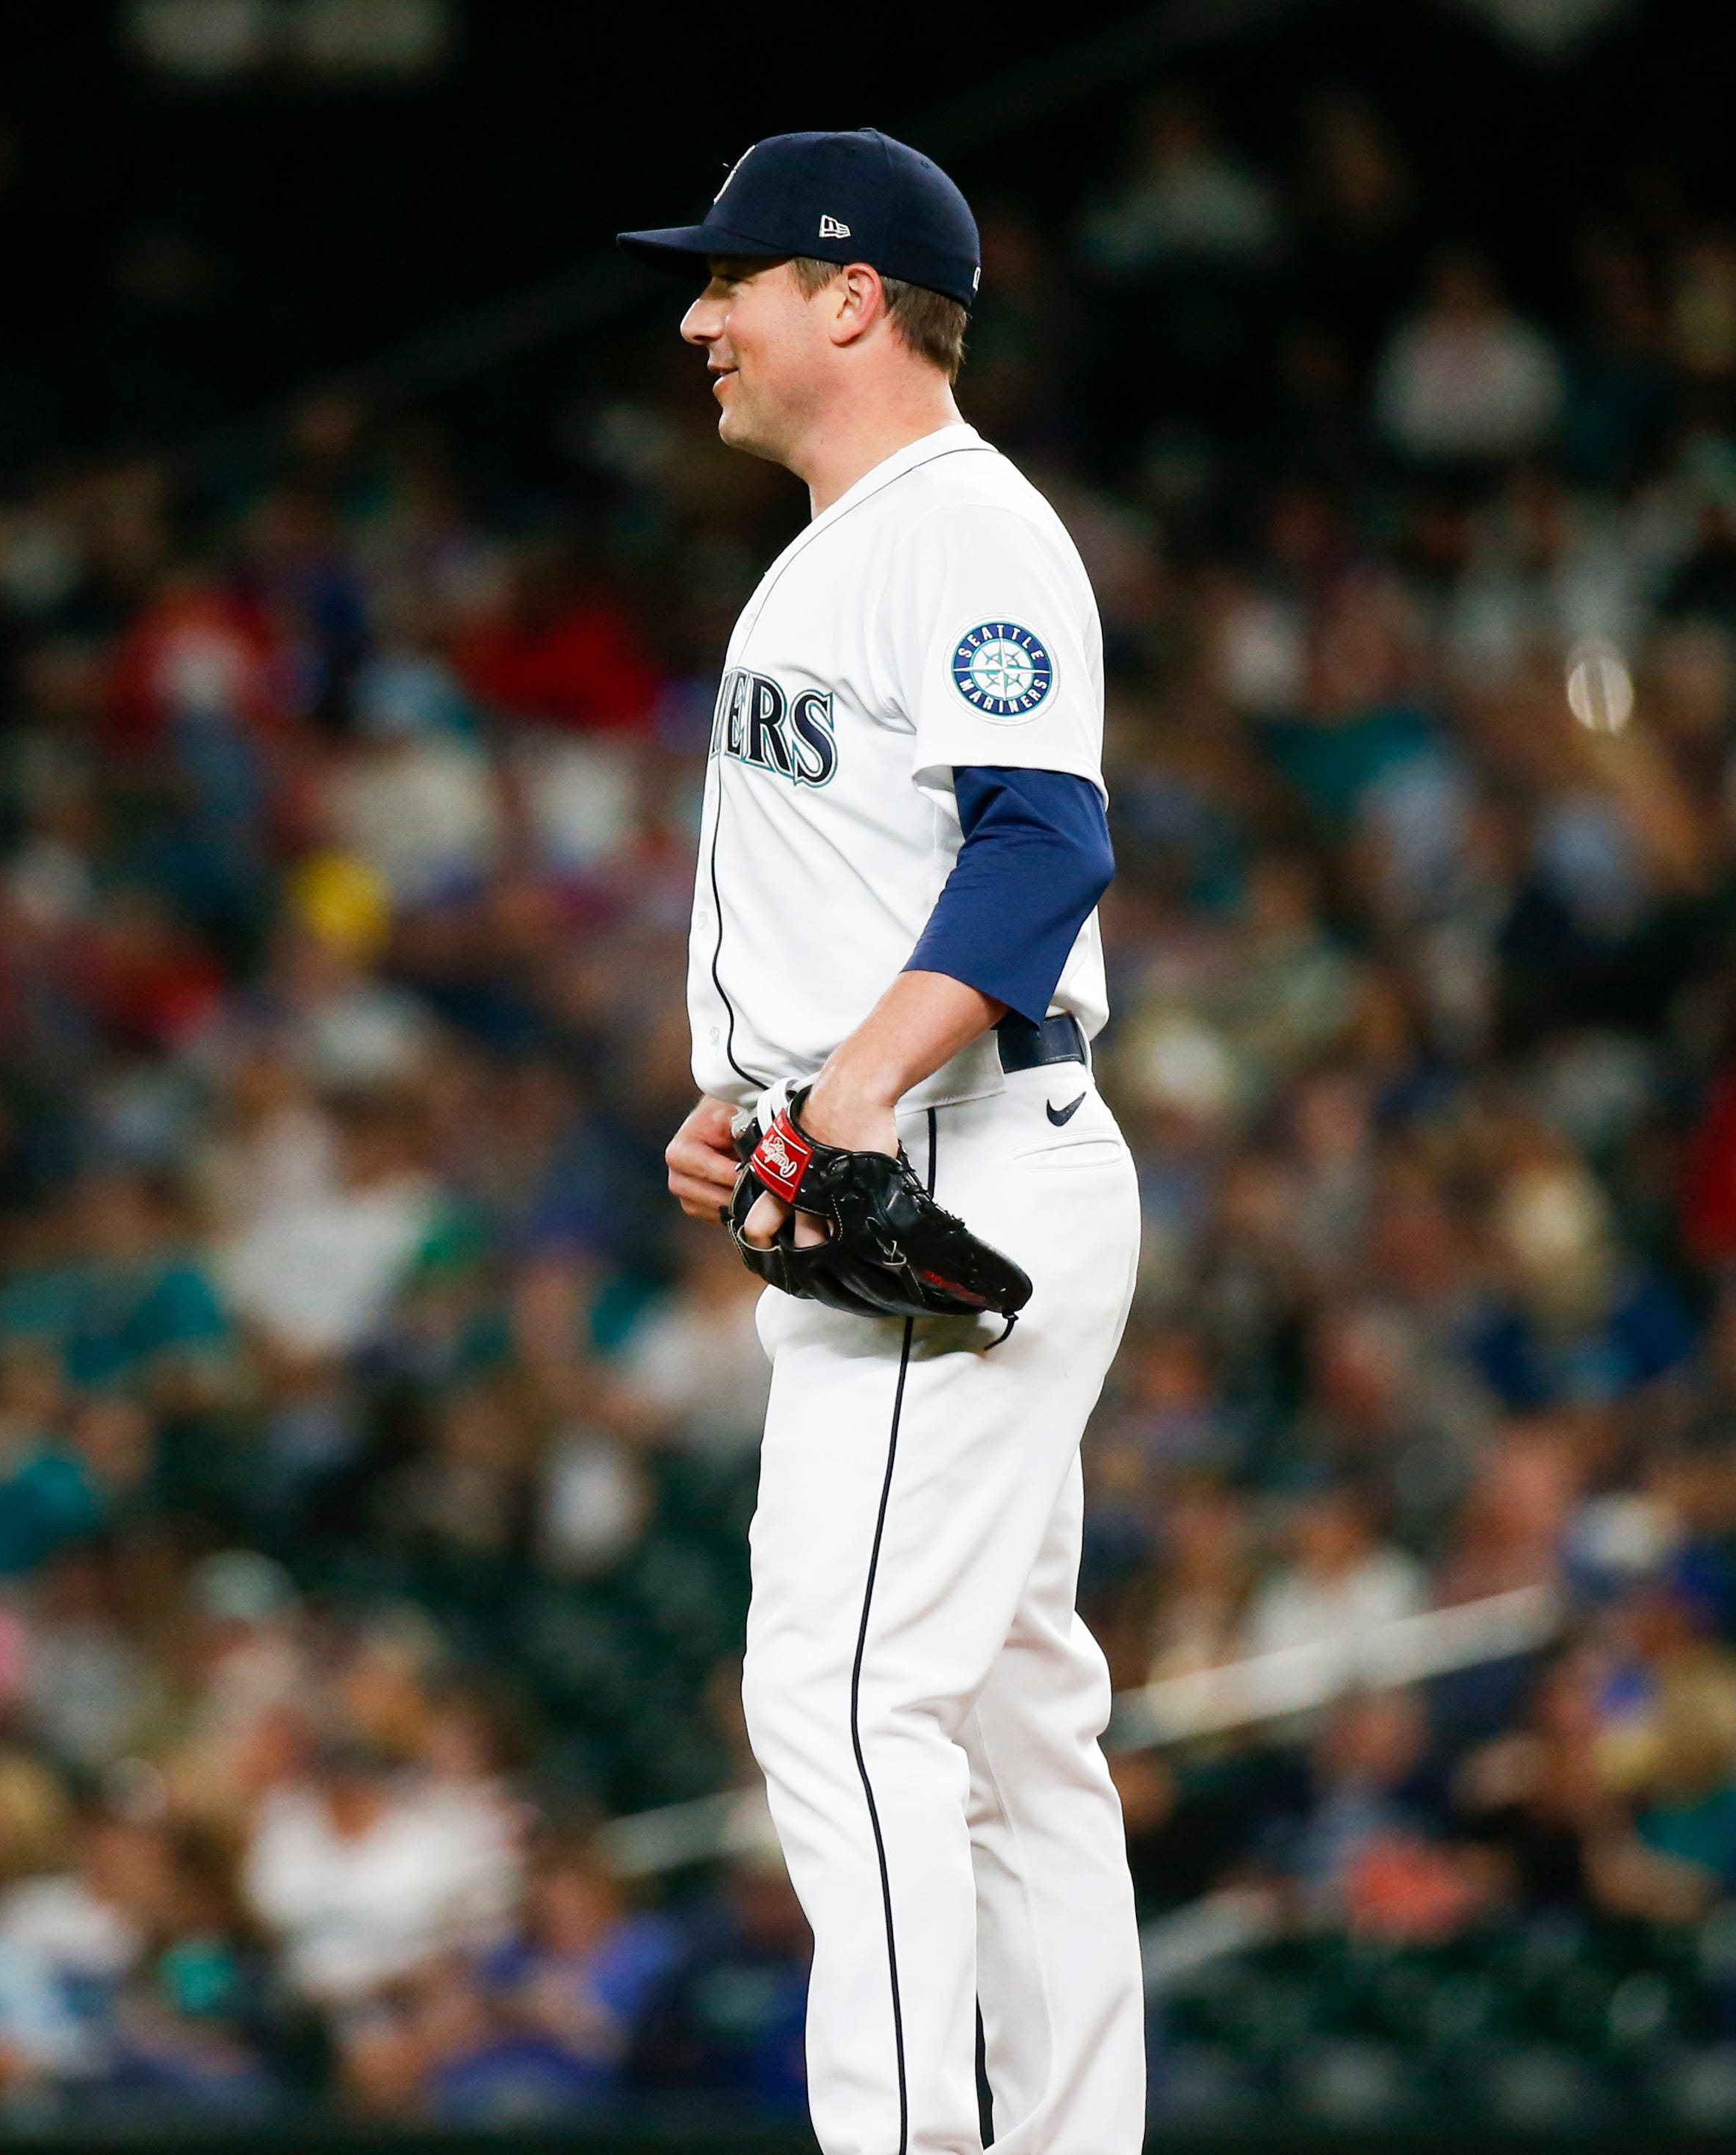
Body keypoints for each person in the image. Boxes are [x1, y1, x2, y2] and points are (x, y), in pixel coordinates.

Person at [624, 131, 1142, 2155]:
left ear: (849, 297)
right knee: (1012, 1724)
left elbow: (1043, 848)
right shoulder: (853, 542)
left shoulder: (958, 527)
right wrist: (755, 1089)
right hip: (900, 1152)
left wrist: (840, 1092)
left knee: (846, 1709)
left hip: (945, 1165)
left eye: (729, 280)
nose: (694, 318)